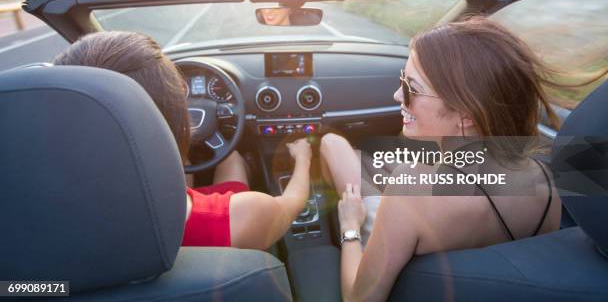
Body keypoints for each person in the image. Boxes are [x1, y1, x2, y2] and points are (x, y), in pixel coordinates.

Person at [319, 16, 575, 301]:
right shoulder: (547, 181)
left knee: (332, 145)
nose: (396, 95)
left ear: (465, 116)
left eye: (411, 89)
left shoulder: (411, 188)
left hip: (395, 238)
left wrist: (350, 227)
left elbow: (358, 299)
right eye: (402, 81)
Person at [53, 31, 311, 250]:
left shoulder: (44, 227)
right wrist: (303, 158)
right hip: (214, 222)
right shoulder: (248, 215)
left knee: (196, 159)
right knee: (230, 157)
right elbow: (291, 205)